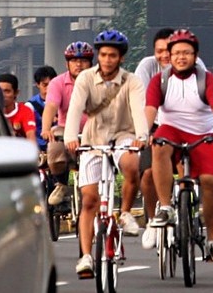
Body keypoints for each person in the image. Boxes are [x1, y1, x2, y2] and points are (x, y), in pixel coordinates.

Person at [64, 29, 149, 278]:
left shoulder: (132, 81)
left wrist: (141, 137)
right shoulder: (85, 79)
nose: (108, 60)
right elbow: (75, 109)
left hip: (124, 136)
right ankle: (86, 256)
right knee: (89, 199)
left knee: (132, 165)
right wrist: (70, 137)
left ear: (121, 58)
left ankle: (124, 213)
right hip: (93, 140)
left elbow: (138, 110)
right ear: (98, 56)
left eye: (113, 55)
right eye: (103, 55)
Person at [145, 29, 213, 265]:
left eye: (186, 53)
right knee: (159, 144)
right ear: (169, 57)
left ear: (195, 56)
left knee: (211, 182)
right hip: (171, 129)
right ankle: (165, 207)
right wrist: (144, 131)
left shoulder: (206, 79)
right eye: (176, 53)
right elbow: (151, 109)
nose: (181, 57)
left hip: (203, 134)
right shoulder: (160, 80)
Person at [135, 27, 208, 248]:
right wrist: (143, 132)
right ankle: (151, 219)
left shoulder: (197, 66)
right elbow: (142, 103)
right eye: (160, 51)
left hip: (190, 126)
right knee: (147, 175)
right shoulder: (147, 67)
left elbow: (206, 99)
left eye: (170, 51)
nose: (165, 56)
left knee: (194, 173)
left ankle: (191, 212)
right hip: (156, 126)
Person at [43, 41, 94, 207]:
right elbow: (51, 106)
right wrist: (46, 128)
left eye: (83, 60)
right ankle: (61, 184)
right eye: (74, 60)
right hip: (66, 130)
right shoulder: (57, 83)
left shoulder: (99, 80)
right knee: (54, 147)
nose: (79, 64)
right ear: (67, 64)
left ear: (91, 63)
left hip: (94, 130)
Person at [0, 72, 37, 143]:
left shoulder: (25, 110)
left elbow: (31, 135)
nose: (2, 95)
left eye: (7, 91)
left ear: (16, 93)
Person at [28, 65, 58, 154]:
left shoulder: (64, 102)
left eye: (51, 84)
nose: (49, 88)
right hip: (39, 150)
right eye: (45, 85)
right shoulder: (30, 106)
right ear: (37, 85)